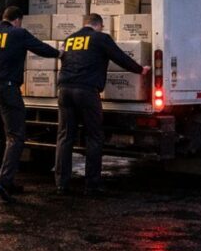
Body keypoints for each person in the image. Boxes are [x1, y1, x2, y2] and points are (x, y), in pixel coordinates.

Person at [0, 6, 60, 203]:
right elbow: (41, 48)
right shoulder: (18, 33)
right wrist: (60, 54)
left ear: (4, 17)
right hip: (6, 88)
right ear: (18, 20)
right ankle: (3, 182)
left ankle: (2, 180)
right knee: (16, 135)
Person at [55, 13, 149, 196]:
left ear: (85, 24)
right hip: (87, 91)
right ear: (99, 25)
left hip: (64, 90)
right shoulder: (100, 38)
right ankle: (92, 185)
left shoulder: (69, 39)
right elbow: (119, 57)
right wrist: (140, 70)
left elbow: (64, 60)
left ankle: (61, 184)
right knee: (94, 136)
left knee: (65, 137)